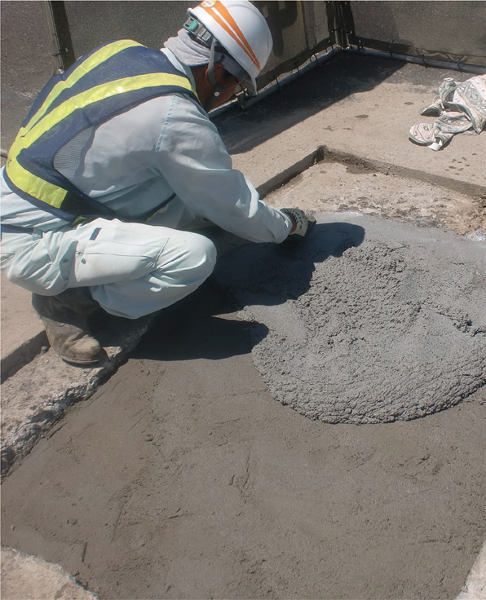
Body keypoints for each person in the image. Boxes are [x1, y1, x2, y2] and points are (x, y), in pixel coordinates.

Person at [1, 0, 312, 366]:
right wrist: (286, 225)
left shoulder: (123, 52)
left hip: (33, 202)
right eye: (238, 87)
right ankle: (69, 300)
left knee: (195, 204)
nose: (232, 96)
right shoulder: (174, 116)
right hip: (30, 239)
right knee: (194, 256)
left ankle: (89, 270)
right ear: (218, 70)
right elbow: (235, 207)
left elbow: (210, 193)